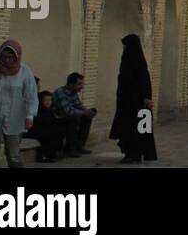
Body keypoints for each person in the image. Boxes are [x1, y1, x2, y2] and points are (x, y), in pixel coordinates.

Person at [0, 39, 38, 168]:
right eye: (4, 57)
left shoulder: (24, 72)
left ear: (17, 57)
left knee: (13, 156)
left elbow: (31, 95)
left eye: (11, 57)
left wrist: (30, 116)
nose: (7, 60)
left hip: (14, 117)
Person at [108, 34, 157, 164]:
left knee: (136, 129)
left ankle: (134, 154)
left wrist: (146, 97)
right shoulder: (129, 61)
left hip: (137, 104)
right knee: (129, 128)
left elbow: (144, 80)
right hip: (127, 102)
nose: (124, 49)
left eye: (126, 46)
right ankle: (131, 153)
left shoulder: (138, 62)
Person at [52, 72, 97, 157]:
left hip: (68, 117)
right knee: (73, 118)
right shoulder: (61, 93)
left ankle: (79, 146)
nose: (81, 87)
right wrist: (84, 113)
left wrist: (88, 111)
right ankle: (70, 149)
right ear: (71, 84)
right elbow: (67, 111)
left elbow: (78, 105)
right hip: (58, 119)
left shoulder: (73, 93)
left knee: (87, 117)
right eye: (79, 84)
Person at [26, 92, 64, 163]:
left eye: (50, 100)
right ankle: (44, 156)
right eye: (46, 100)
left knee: (58, 130)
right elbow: (44, 121)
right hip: (34, 131)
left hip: (43, 129)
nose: (48, 102)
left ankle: (54, 153)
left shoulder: (49, 110)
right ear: (41, 101)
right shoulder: (38, 110)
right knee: (49, 134)